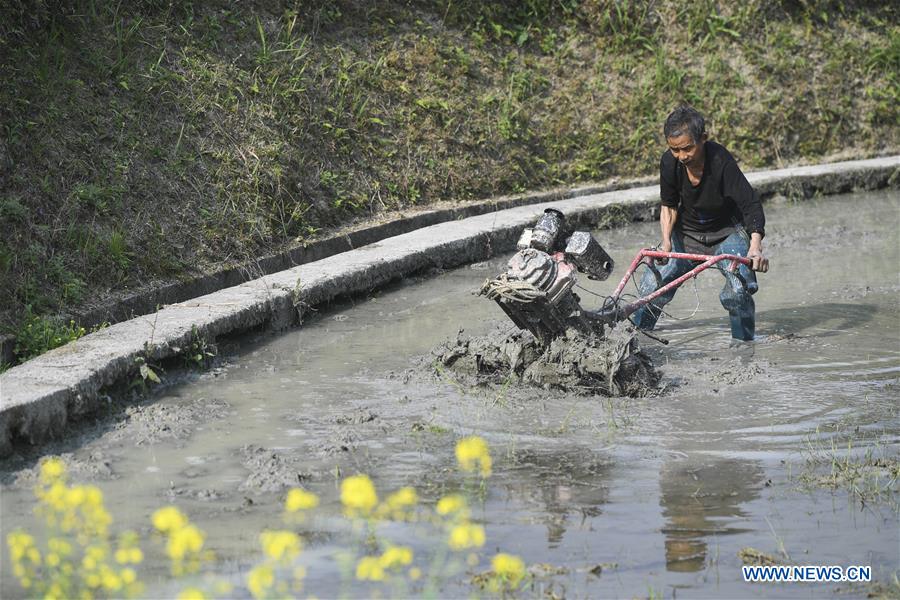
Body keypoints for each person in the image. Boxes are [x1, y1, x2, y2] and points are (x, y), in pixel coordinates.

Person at [631, 105, 769, 341]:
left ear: (703, 139)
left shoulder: (720, 161)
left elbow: (750, 205)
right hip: (688, 234)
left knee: (737, 292)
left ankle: (744, 347)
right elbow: (669, 205)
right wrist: (665, 244)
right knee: (652, 288)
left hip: (726, 233)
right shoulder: (670, 163)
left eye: (687, 148)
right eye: (675, 150)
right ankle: (636, 338)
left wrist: (754, 247)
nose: (682, 156)